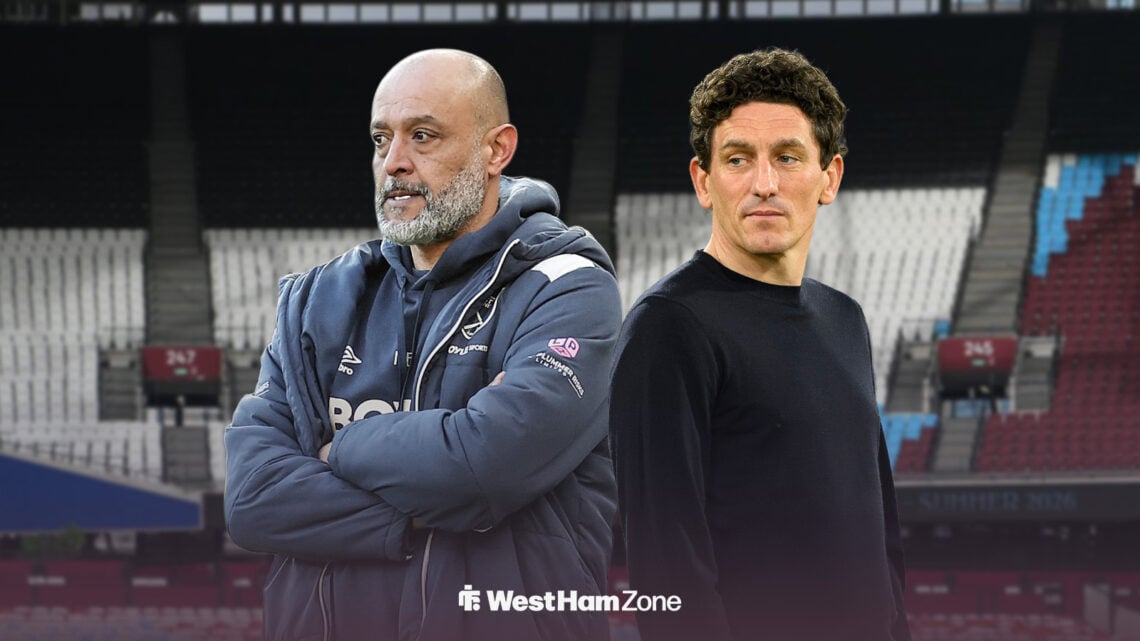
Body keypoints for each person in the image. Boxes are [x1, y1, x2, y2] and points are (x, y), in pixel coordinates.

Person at [224, 49, 622, 641]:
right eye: (381, 140)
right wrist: (426, 502)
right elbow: (253, 499)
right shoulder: (315, 301)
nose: (395, 164)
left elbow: (481, 467)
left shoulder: (569, 286)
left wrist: (337, 450)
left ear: (496, 149)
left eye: (424, 136)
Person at [609, 48, 910, 641]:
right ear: (704, 180)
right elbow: (667, 571)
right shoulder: (668, 328)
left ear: (831, 177)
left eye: (788, 157)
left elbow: (881, 537)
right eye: (738, 158)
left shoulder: (845, 318)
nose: (764, 184)